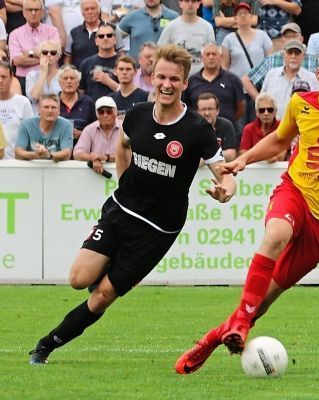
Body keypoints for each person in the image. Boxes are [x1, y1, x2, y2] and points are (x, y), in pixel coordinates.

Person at [175, 43, 319, 374]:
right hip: (295, 191)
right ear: (317, 73)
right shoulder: (301, 103)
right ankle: (232, 328)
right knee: (276, 234)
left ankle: (214, 338)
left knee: (263, 301)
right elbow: (279, 140)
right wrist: (243, 159)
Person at [27, 44, 236, 365]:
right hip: (122, 210)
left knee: (103, 296)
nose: (166, 84)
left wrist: (226, 189)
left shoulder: (197, 130)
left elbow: (224, 172)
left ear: (184, 83)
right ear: (152, 78)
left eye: (174, 79)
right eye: (161, 77)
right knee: (78, 280)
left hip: (157, 229)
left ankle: (45, 345)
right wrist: (124, 182)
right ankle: (109, 272)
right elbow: (123, 146)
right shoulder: (138, 114)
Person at [241, 22, 318, 101]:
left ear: (301, 38)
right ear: (282, 40)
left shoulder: (313, 60)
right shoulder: (272, 60)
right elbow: (247, 80)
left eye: (294, 36)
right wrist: (260, 102)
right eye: (287, 37)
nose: (291, 39)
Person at [183, 41, 245, 130]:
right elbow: (186, 108)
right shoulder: (191, 81)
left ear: (221, 57)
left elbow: (240, 108)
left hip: (227, 133)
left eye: (214, 54)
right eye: (208, 54)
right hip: (198, 132)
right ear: (202, 57)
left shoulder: (233, 80)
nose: (211, 57)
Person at [8, 0, 61, 94]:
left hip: (50, 78)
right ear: (24, 12)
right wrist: (45, 56)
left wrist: (29, 53)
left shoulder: (53, 31)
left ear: (42, 12)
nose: (33, 13)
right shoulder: (14, 34)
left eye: (36, 10)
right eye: (30, 10)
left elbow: (55, 54)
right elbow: (17, 61)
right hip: (23, 80)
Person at [261, 40, 318, 120]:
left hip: (298, 127)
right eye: (290, 52)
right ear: (283, 54)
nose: (293, 56)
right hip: (272, 126)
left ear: (303, 56)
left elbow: (316, 105)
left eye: (297, 53)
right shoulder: (271, 75)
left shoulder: (311, 78)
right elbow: (262, 100)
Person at [157, 0, 215, 76]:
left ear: (198, 4)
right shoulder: (171, 27)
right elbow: (160, 53)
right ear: (180, 3)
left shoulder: (207, 27)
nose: (190, 4)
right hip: (176, 77)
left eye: (193, 1)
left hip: (201, 79)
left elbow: (212, 54)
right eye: (187, 1)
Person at [63, 0, 125, 70]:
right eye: (86, 9)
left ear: (99, 11)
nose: (90, 12)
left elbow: (121, 55)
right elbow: (67, 59)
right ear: (82, 12)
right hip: (81, 78)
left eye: (93, 8)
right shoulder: (74, 33)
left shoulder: (112, 29)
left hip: (108, 76)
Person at [221, 2, 272, 80]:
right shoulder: (228, 39)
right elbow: (225, 66)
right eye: (240, 13)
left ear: (251, 16)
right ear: (235, 18)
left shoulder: (263, 36)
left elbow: (270, 61)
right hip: (237, 85)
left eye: (246, 13)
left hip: (259, 84)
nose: (243, 16)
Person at [15, 93, 73, 161]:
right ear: (39, 109)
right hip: (31, 168)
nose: (50, 111)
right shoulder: (26, 124)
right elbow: (18, 152)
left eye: (54, 107)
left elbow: (67, 153)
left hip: (56, 168)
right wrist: (35, 155)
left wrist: (49, 155)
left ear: (59, 110)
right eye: (46, 107)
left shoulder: (66, 125)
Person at [73, 96, 121, 175]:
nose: (105, 115)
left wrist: (106, 158)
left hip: (122, 174)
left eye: (109, 111)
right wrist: (93, 158)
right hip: (96, 177)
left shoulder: (125, 128)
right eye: (101, 112)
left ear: (116, 112)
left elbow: (131, 155)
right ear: (96, 114)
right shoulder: (89, 129)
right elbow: (77, 153)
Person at [0, 61, 34, 160]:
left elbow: (30, 133)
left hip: (17, 163)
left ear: (11, 78)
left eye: (4, 77)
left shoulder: (23, 102)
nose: (0, 80)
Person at [239, 91, 286, 162]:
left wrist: (255, 157)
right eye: (262, 110)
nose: (266, 113)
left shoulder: (282, 127)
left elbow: (281, 156)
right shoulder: (248, 129)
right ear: (257, 113)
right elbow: (243, 153)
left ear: (275, 111)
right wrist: (265, 157)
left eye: (270, 110)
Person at [78, 22, 120, 101]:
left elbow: (129, 93)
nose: (105, 38)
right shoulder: (86, 63)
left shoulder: (124, 62)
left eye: (109, 35)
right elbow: (81, 92)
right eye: (101, 36)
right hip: (92, 110)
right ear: (96, 41)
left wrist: (108, 81)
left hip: (116, 109)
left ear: (115, 40)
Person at [58, 64, 96, 147]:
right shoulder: (52, 102)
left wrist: (82, 135)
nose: (69, 81)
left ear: (78, 82)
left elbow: (96, 130)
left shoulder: (88, 102)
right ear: (59, 82)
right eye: (65, 78)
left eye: (72, 78)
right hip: (57, 149)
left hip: (83, 149)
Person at [196, 92, 237, 161]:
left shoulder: (226, 125)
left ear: (217, 110)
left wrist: (206, 157)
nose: (207, 113)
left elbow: (231, 154)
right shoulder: (192, 127)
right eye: (203, 109)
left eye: (210, 109)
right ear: (197, 111)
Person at [25, 40, 62, 113]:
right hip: (37, 115)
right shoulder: (31, 75)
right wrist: (43, 73)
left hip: (58, 114)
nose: (49, 55)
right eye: (45, 52)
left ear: (58, 57)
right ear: (40, 56)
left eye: (53, 53)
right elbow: (34, 97)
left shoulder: (64, 75)